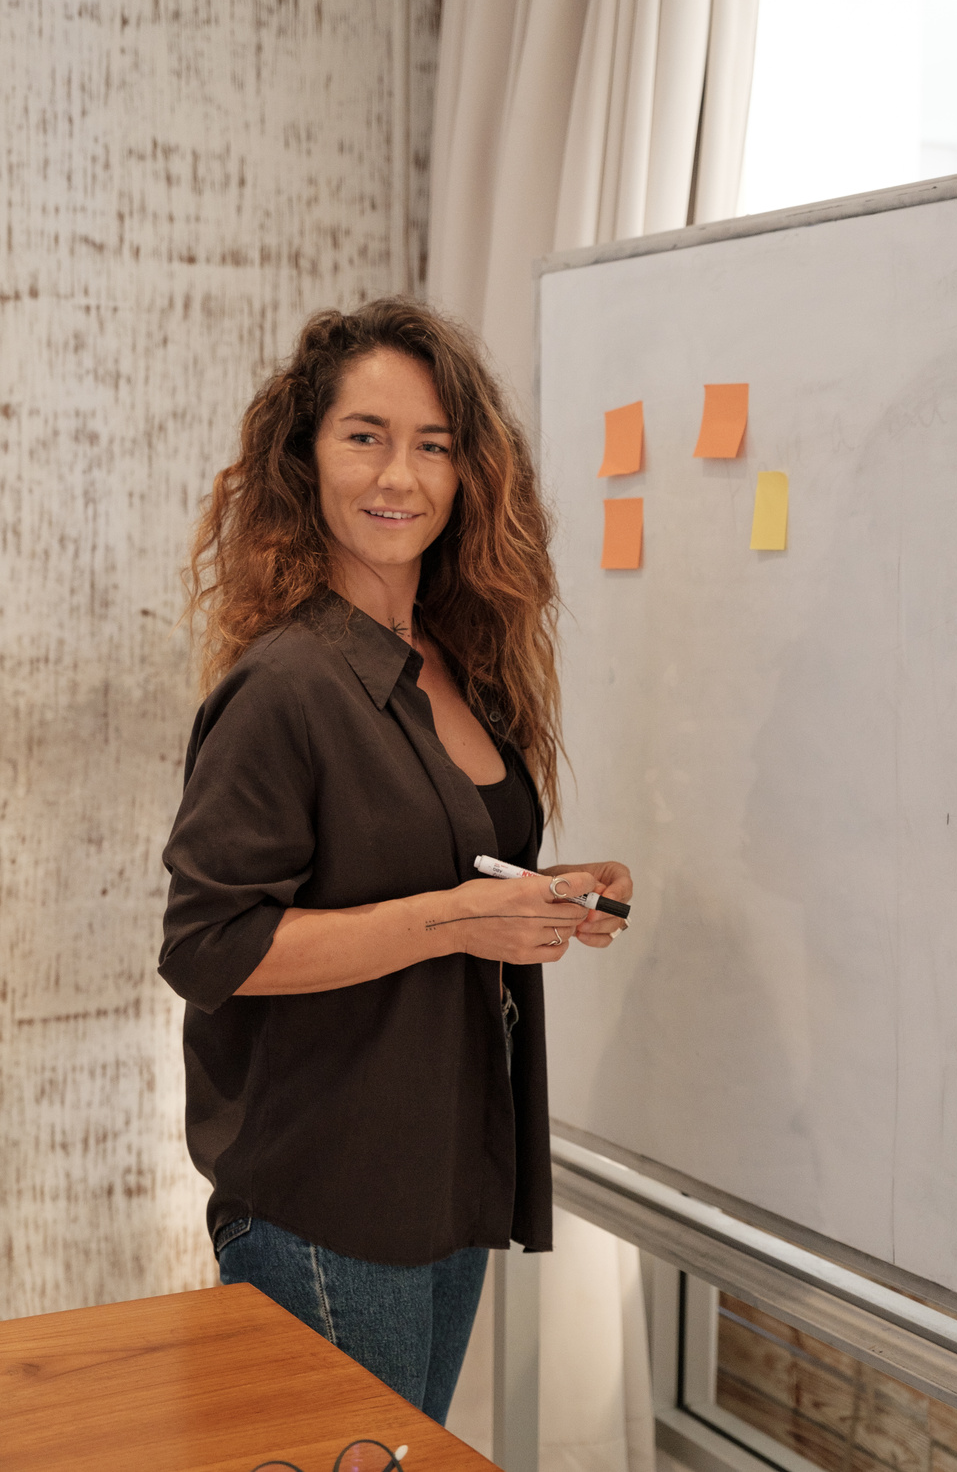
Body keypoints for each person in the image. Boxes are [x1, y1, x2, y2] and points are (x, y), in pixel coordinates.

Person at [158, 298, 632, 1424]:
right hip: (329, 1201)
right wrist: (462, 922)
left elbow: (441, 866)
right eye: (364, 435)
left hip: (448, 1177)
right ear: (304, 457)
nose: (400, 475)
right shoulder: (285, 686)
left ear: (469, 471)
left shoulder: (451, 665)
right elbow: (208, 945)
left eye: (432, 444)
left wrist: (545, 896)